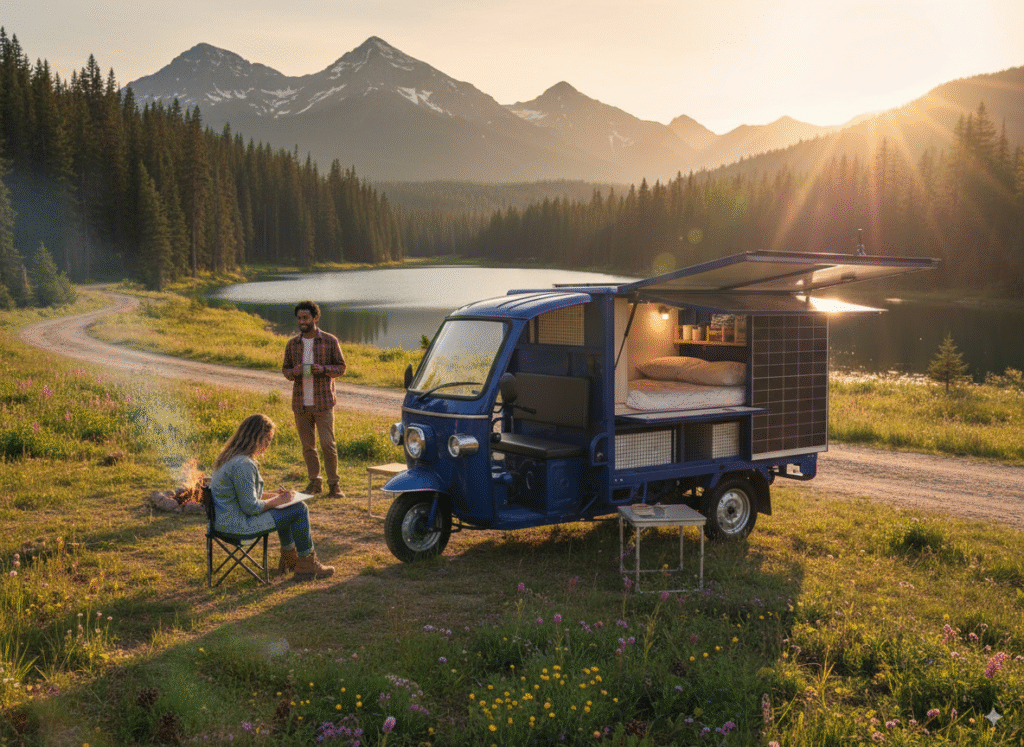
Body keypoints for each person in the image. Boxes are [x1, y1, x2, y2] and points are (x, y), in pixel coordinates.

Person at [209, 414, 334, 581]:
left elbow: (246, 495)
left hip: (222, 523)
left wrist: (276, 496)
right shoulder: (244, 465)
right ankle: (306, 563)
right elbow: (251, 507)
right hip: (238, 527)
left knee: (287, 507)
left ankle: (290, 560)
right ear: (257, 438)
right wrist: (278, 501)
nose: (267, 446)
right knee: (299, 509)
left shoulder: (229, 459)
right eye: (267, 440)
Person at [282, 300, 348, 498]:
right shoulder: (292, 344)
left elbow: (341, 368)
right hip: (300, 403)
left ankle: (334, 485)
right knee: (308, 447)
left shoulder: (330, 341)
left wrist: (324, 370)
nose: (302, 322)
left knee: (328, 445)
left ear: (315, 318)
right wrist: (294, 371)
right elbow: (285, 370)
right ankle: (314, 482)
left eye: (305, 318)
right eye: (299, 318)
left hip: (324, 403)